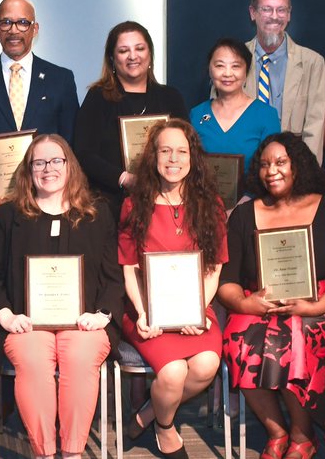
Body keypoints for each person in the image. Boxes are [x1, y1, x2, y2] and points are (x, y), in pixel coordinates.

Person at [219, 131, 325, 458]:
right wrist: (246, 303)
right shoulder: (244, 215)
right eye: (265, 164)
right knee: (238, 339)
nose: (272, 170)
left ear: (297, 165)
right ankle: (277, 432)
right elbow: (227, 280)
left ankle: (302, 435)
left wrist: (315, 307)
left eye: (281, 162)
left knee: (291, 337)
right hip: (261, 303)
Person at [0, 134, 123, 459]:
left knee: (80, 357)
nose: (48, 168)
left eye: (56, 160)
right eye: (39, 162)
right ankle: (43, 453)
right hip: (25, 323)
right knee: (32, 361)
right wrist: (6, 315)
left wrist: (102, 314)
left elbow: (113, 277)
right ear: (27, 170)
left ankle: (72, 453)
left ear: (70, 166)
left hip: (84, 322)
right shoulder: (7, 216)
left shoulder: (97, 213)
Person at [119, 119, 226, 458]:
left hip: (194, 306)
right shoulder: (134, 205)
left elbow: (215, 267)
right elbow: (129, 268)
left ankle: (147, 415)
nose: (173, 159)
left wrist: (200, 309)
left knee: (207, 365)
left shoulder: (211, 205)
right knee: (175, 370)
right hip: (147, 309)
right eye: (165, 150)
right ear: (153, 156)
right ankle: (166, 429)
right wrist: (142, 313)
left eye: (181, 151)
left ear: (193, 158)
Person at [0, 0, 79, 219]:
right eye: (6, 22)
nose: (13, 30)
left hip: (51, 208)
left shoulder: (61, 79)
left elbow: (71, 146)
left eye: (22, 22)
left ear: (35, 28)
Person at [72, 21, 187, 217]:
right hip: (109, 206)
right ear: (112, 58)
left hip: (164, 204)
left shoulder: (170, 97)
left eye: (139, 48)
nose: (133, 56)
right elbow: (82, 153)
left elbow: (187, 148)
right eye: (123, 50)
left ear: (150, 53)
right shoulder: (98, 97)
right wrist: (124, 178)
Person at [232, 0, 325, 163]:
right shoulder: (234, 59)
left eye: (281, 10)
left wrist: (306, 176)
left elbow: (314, 128)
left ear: (289, 14)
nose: (274, 17)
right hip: (245, 164)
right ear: (253, 13)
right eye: (267, 9)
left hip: (292, 166)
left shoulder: (312, 63)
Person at [191, 38, 281, 168]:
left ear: (246, 71)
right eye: (220, 66)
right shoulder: (196, 114)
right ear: (210, 70)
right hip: (202, 189)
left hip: (251, 189)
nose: (227, 73)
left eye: (235, 66)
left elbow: (272, 167)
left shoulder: (266, 115)